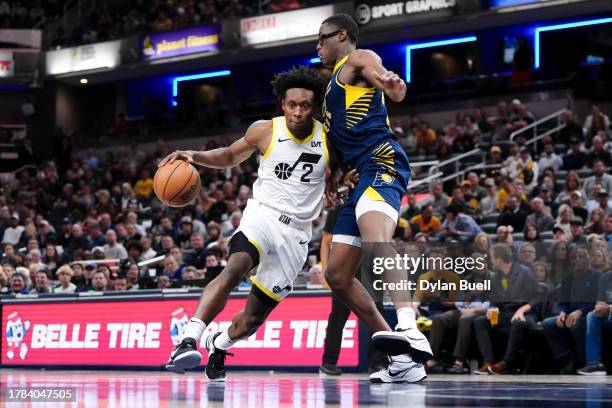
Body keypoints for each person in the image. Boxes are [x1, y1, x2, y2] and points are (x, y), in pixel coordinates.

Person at [162, 67, 331, 381]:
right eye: (291, 104)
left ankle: (220, 344)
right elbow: (228, 155)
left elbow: (339, 180)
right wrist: (191, 155)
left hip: (296, 234)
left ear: (315, 106)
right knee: (235, 266)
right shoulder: (265, 130)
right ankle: (188, 340)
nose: (297, 111)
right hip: (262, 215)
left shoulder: (329, 139)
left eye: (305, 105)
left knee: (252, 320)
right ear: (282, 104)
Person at [316, 13, 431, 383]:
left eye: (321, 39)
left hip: (382, 158)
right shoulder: (331, 87)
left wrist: (393, 85)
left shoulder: (357, 58)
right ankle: (401, 356)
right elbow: (340, 138)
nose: (317, 46)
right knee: (337, 274)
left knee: (376, 238)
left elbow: (389, 83)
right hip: (360, 172)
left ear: (342, 35)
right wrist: (333, 173)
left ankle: (409, 324)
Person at [473, 244, 542, 374]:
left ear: (499, 259)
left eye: (492, 258)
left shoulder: (524, 272)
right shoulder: (495, 278)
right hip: (506, 313)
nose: (490, 261)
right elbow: (494, 301)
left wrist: (522, 310)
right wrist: (493, 309)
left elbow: (537, 297)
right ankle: (488, 362)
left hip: (526, 313)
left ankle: (507, 362)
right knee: (480, 321)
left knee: (517, 321)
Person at [542, 247, 599, 374]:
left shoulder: (596, 276)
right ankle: (567, 357)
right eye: (573, 257)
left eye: (580, 257)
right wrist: (561, 313)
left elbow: (596, 302)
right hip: (570, 314)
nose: (577, 260)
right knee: (547, 323)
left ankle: (582, 360)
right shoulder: (568, 278)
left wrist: (580, 312)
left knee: (574, 325)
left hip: (588, 314)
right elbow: (563, 302)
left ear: (587, 259)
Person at [577, 270, 612, 375]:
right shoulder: (606, 277)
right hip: (608, 315)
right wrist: (599, 308)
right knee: (592, 316)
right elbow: (600, 301)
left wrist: (609, 307)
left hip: (609, 310)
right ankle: (595, 364)